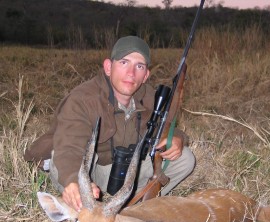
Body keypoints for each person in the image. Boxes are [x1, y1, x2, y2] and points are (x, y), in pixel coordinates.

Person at [24, 36, 195, 212]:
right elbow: (69, 148)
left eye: (139, 66)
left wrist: (176, 138)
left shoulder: (151, 97)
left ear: (146, 75)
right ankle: (87, 207)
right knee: (66, 162)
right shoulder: (83, 99)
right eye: (123, 62)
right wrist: (74, 180)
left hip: (125, 171)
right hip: (90, 169)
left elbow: (165, 128)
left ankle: (133, 209)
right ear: (108, 67)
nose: (131, 73)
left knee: (185, 159)